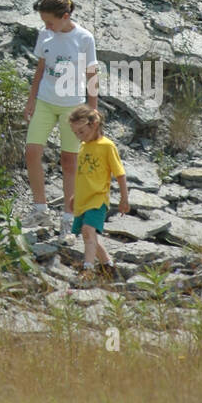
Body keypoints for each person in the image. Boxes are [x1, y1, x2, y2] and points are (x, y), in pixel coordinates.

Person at [23, 0, 99, 236]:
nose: (47, 26)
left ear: (65, 17)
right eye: (45, 22)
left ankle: (68, 216)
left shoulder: (85, 38)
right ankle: (40, 209)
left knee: (69, 161)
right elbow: (41, 68)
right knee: (32, 151)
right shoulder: (45, 34)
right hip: (45, 101)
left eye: (50, 22)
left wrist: (92, 110)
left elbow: (92, 74)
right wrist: (31, 99)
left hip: (72, 107)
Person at [67, 105, 129, 280]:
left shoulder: (107, 146)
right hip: (83, 199)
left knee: (88, 230)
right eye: (76, 133)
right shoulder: (83, 147)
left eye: (81, 131)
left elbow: (120, 173)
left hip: (98, 199)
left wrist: (124, 198)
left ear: (94, 124)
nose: (79, 136)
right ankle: (108, 267)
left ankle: (87, 269)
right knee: (91, 235)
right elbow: (82, 175)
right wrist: (74, 196)